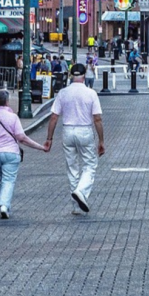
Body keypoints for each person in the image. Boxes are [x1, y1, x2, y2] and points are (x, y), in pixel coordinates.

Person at [0, 90, 48, 219]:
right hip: (11, 153)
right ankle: (3, 205)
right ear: (7, 102)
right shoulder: (13, 117)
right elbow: (22, 138)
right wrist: (40, 147)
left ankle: (5, 207)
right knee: (8, 180)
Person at [45, 63, 105, 214]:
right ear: (84, 76)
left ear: (71, 76)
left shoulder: (63, 93)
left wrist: (49, 138)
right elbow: (97, 119)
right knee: (90, 165)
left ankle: (76, 206)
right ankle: (81, 191)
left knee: (72, 167)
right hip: (84, 130)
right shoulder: (91, 93)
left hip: (67, 130)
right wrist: (101, 140)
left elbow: (53, 117)